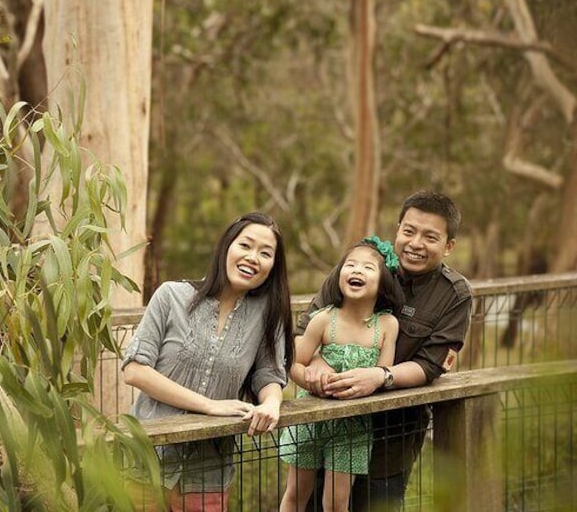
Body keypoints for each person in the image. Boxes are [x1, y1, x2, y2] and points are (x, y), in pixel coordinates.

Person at [297, 190, 472, 511]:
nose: (416, 243)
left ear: (448, 246)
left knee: (377, 503)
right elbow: (305, 330)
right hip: (328, 422)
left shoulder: (454, 294)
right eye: (408, 231)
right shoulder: (361, 266)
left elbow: (432, 365)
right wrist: (318, 363)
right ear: (397, 230)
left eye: (430, 237)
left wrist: (380, 377)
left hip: (394, 431)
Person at [122, 212, 294, 511]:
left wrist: (271, 404)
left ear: (272, 267)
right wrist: (210, 406)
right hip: (146, 457)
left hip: (210, 468)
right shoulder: (171, 296)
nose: (253, 257)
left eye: (265, 253)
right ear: (226, 247)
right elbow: (135, 370)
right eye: (246, 245)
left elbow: (269, 374)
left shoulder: (268, 314)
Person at [279, 236, 404, 512]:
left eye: (368, 267)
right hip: (310, 420)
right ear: (339, 275)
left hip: (354, 427)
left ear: (384, 282)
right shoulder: (324, 319)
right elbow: (294, 363)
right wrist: (310, 380)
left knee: (337, 503)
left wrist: (372, 381)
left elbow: (384, 373)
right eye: (350, 265)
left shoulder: (387, 325)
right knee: (296, 495)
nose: (357, 270)